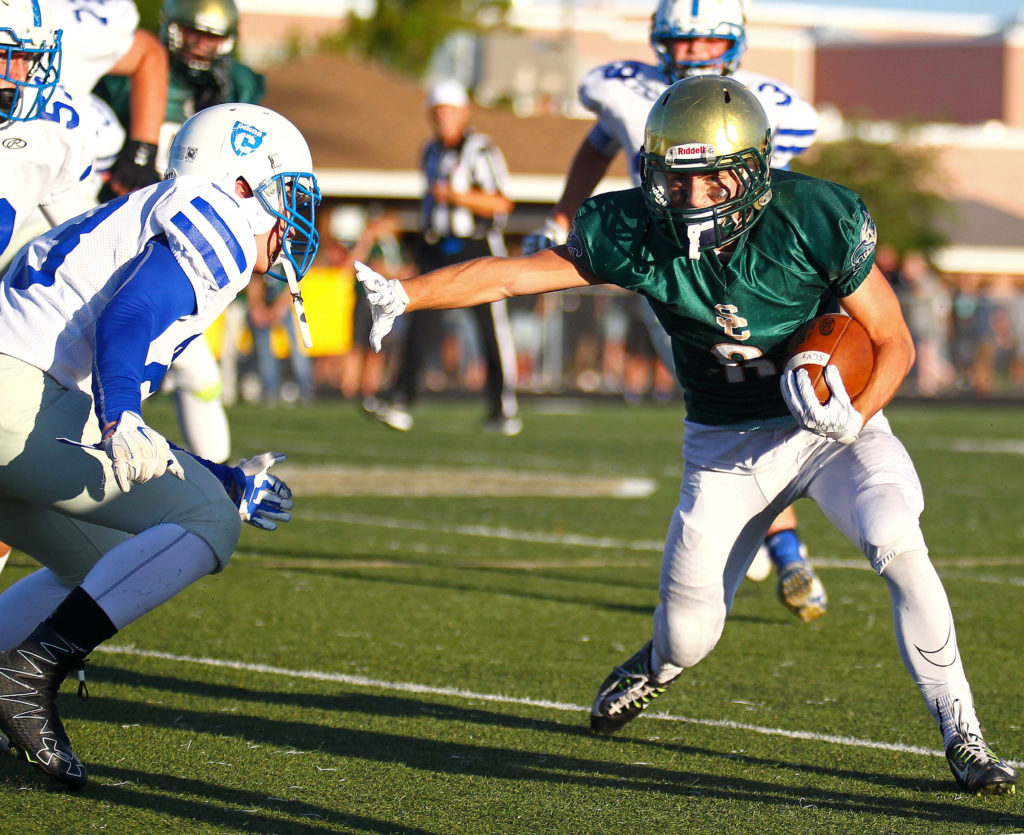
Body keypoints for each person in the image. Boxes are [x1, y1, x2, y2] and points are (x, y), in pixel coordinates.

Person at [356, 77, 1017, 796]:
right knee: (688, 637)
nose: (686, 195)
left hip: (828, 429)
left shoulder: (811, 217)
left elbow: (894, 342)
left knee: (895, 536)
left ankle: (964, 734)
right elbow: (515, 277)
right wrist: (408, 293)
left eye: (708, 179)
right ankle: (655, 666)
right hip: (725, 445)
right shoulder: (635, 229)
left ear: (752, 174)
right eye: (674, 176)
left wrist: (855, 415)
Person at [0, 102, 320, 789]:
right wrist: (124, 414)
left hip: (20, 401)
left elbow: (101, 427)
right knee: (205, 523)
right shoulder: (220, 218)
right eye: (289, 194)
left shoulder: (156, 210)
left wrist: (219, 473)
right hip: (14, 397)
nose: (296, 220)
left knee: (107, 558)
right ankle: (28, 674)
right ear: (244, 181)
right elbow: (130, 316)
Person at [523, 0, 825, 621]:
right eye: (678, 42)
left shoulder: (770, 105)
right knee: (737, 409)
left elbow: (783, 196)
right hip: (669, 275)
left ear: (735, 42)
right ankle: (781, 542)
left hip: (751, 279)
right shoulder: (630, 93)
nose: (688, 54)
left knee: (774, 408)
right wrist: (560, 215)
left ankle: (782, 542)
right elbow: (595, 147)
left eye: (704, 42)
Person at [94, 0, 265, 464]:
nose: (202, 44)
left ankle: (211, 484)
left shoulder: (241, 84)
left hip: (189, 240)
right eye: (193, 32)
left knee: (194, 370)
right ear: (172, 28)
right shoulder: (125, 74)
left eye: (212, 35)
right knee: (175, 363)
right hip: (123, 228)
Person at [365, 79, 521, 436]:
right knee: (418, 319)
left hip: (476, 246)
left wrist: (456, 196)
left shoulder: (481, 151)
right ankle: (401, 399)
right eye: (438, 112)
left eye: (450, 111)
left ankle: (503, 407)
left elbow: (501, 203)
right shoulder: (430, 152)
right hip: (437, 247)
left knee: (490, 329)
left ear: (464, 113)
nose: (444, 119)